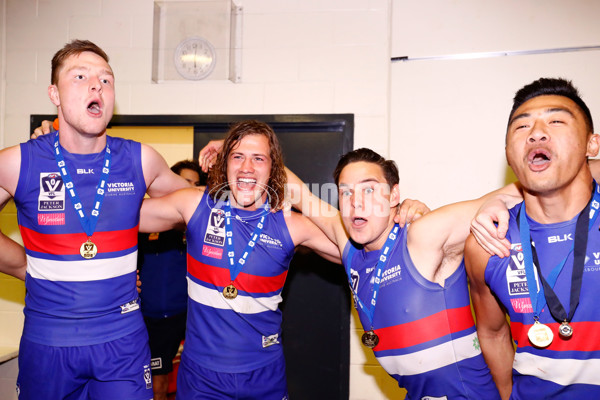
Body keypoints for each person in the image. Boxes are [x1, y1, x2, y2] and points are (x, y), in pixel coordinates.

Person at [0, 39, 189, 400]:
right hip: (48, 342)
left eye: (106, 79)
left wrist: (235, 170)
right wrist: (28, 266)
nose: (96, 86)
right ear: (54, 93)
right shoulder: (18, 162)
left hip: (122, 343)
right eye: (81, 76)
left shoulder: (141, 159)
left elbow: (198, 208)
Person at [280, 148, 523, 399]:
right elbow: (301, 195)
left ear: (393, 194)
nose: (356, 202)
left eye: (369, 189)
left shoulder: (422, 236)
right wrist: (253, 161)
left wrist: (495, 202)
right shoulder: (348, 247)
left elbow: (516, 193)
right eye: (346, 192)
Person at [465, 77, 600, 399]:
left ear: (591, 145)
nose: (537, 132)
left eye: (556, 121)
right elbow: (493, 332)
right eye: (521, 127)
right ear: (509, 154)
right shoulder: (487, 244)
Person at [138, 160, 206, 400]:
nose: (191, 188)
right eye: (186, 182)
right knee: (150, 386)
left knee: (180, 385)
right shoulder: (145, 220)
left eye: (197, 184)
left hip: (184, 319)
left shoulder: (199, 228)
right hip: (145, 320)